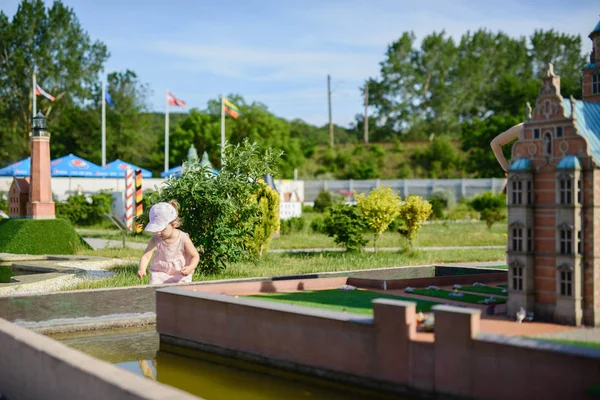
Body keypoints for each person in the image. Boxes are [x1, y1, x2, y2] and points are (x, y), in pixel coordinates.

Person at [137, 201, 199, 285]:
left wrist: (190, 267)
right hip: (160, 274)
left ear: (174, 224)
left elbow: (195, 256)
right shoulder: (156, 238)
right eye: (156, 229)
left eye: (162, 229)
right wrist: (142, 269)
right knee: (156, 291)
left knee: (181, 294)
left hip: (180, 274)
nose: (158, 232)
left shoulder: (183, 238)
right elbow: (146, 256)